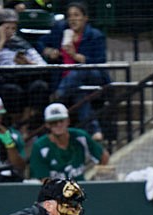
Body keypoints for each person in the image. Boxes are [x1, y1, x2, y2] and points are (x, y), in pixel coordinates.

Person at [37, 1, 109, 141]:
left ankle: (60, 95)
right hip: (71, 82)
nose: (72, 19)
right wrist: (48, 50)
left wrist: (76, 56)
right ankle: (94, 132)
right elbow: (40, 43)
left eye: (77, 15)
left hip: (93, 77)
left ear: (85, 18)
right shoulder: (60, 30)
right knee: (80, 95)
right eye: (70, 16)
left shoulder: (95, 35)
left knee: (79, 71)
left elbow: (100, 61)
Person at [0, 8, 50, 130]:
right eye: (7, 28)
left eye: (13, 28)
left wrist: (28, 63)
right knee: (13, 91)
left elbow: (43, 65)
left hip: (22, 79)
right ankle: (12, 127)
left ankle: (26, 126)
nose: (10, 32)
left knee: (39, 86)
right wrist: (1, 43)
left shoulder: (21, 44)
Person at [29, 102, 109, 181]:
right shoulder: (40, 146)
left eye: (61, 120)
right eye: (53, 122)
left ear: (68, 121)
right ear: (47, 125)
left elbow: (103, 156)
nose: (58, 125)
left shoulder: (80, 137)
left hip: (81, 188)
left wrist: (96, 177)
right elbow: (43, 180)